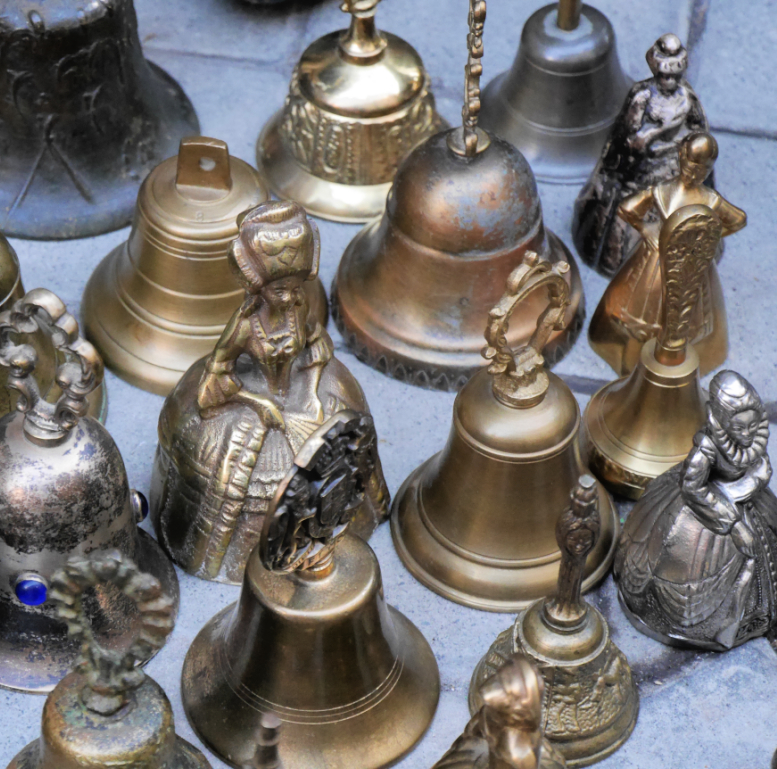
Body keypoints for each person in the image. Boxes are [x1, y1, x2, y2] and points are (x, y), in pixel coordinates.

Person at [151, 201, 388, 583]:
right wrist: (255, 401)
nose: (290, 297)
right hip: (248, 409)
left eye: (296, 288)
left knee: (336, 417)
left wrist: (311, 393)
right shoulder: (244, 327)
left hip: (303, 395)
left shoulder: (297, 308)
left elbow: (316, 344)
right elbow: (213, 382)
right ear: (260, 289)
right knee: (230, 475)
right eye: (280, 289)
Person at [616, 370, 777, 651]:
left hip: (751, 503)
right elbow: (692, 486)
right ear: (722, 422)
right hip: (705, 517)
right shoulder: (706, 448)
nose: (748, 434)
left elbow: (758, 463)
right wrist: (731, 519)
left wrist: (756, 479)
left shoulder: (750, 439)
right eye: (741, 429)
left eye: (753, 427)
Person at [588, 132, 746, 375]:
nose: (693, 175)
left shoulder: (709, 199)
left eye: (700, 171)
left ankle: (677, 367)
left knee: (691, 321)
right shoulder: (662, 191)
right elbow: (627, 208)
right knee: (641, 318)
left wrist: (708, 238)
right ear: (680, 160)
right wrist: (645, 228)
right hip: (655, 265)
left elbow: (738, 220)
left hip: (692, 271)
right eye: (689, 167)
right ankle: (635, 366)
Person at [573, 34, 711, 277]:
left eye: (674, 76)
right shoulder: (642, 96)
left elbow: (699, 130)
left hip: (674, 171)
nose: (669, 81)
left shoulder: (687, 97)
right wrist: (655, 135)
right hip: (640, 173)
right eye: (664, 76)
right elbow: (629, 138)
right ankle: (622, 263)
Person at [432, 656, 565, 769]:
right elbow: (475, 728)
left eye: (501, 682)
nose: (491, 687)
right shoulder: (490, 714)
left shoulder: (519, 749)